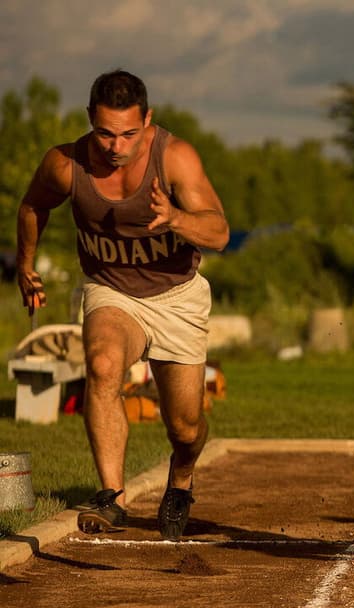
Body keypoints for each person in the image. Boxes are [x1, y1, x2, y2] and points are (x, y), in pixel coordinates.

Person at [16, 70, 229, 540]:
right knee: (103, 363)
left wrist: (175, 217)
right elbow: (33, 205)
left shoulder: (174, 157)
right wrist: (25, 266)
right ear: (91, 119)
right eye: (106, 133)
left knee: (186, 427)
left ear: (147, 120)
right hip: (111, 291)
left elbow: (219, 232)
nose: (116, 146)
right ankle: (111, 496)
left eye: (129, 133)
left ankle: (182, 476)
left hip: (176, 298)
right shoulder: (66, 164)